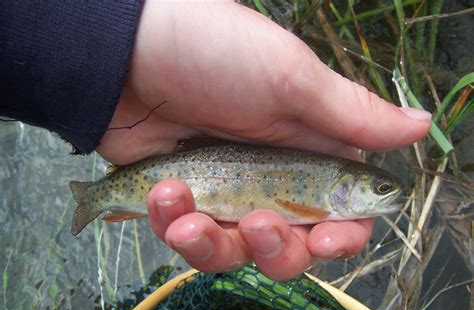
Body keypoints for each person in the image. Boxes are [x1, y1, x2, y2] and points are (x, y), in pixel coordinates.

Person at [1, 1, 431, 280]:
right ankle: (101, 196)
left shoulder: (324, 187)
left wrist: (121, 47)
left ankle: (103, 195)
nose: (387, 195)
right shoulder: (317, 204)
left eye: (382, 189)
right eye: (380, 189)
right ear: (350, 186)